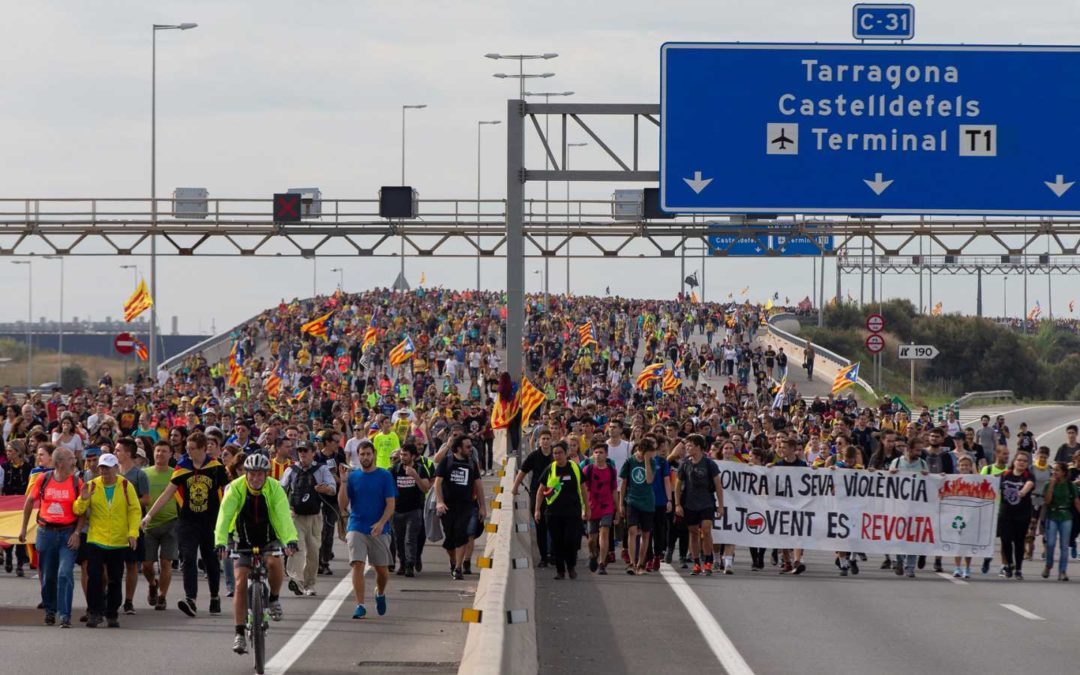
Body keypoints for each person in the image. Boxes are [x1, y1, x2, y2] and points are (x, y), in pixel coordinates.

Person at [214, 453, 299, 654]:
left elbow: (283, 516)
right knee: (240, 581)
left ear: (266, 474)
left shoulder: (275, 487)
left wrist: (290, 540)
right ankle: (239, 633)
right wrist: (220, 542)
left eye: (260, 474)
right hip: (242, 539)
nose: (255, 478)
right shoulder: (235, 488)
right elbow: (224, 515)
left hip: (269, 536)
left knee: (273, 563)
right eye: (252, 474)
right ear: (246, 473)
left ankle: (274, 599)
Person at [141, 431, 230, 617]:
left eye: (193, 449)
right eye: (187, 448)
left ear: (204, 449)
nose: (189, 452)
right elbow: (168, 493)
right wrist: (149, 515)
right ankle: (191, 599)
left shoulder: (216, 467)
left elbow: (226, 494)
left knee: (210, 560)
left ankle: (215, 596)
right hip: (187, 522)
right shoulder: (182, 467)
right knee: (188, 558)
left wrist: (228, 521)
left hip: (210, 522)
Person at [73, 452, 141, 628]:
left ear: (116, 468)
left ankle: (112, 613)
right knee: (94, 577)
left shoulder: (126, 486)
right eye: (102, 468)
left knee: (115, 579)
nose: (104, 472)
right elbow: (78, 510)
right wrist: (83, 499)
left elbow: (134, 510)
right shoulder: (91, 485)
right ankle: (95, 612)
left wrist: (133, 533)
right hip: (97, 539)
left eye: (108, 468)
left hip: (118, 541)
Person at [18, 447, 82, 628]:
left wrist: (77, 533)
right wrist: (23, 528)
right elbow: (29, 502)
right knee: (48, 576)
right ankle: (50, 611)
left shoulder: (77, 482)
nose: (74, 461)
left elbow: (83, 509)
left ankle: (65, 615)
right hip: (46, 533)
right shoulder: (43, 479)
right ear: (60, 463)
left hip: (67, 534)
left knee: (64, 573)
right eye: (71, 459)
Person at [337, 441, 396, 619]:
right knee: (357, 564)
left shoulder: (384, 475)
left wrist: (381, 523)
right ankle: (360, 605)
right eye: (362, 454)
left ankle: (380, 592)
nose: (365, 457)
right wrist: (344, 483)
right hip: (356, 526)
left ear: (374, 454)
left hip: (379, 528)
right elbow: (343, 505)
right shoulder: (353, 476)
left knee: (382, 571)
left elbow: (390, 504)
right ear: (358, 455)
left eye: (368, 454)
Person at [281, 442, 336, 596]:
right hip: (295, 516)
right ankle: (296, 580)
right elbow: (281, 490)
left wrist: (325, 488)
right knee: (297, 548)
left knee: (313, 551)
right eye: (300, 451)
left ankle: (309, 584)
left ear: (313, 452)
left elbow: (333, 488)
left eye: (305, 451)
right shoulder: (291, 470)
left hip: (315, 516)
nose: (302, 454)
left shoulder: (321, 469)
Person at [534, 441, 588, 580]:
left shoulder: (574, 468)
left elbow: (583, 489)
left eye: (560, 453)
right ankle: (560, 571)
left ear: (566, 453)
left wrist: (586, 508)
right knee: (557, 542)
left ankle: (571, 567)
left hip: (572, 512)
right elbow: (541, 491)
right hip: (553, 513)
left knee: (570, 541)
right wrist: (537, 510)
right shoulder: (550, 469)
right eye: (555, 453)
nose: (557, 456)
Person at [434, 435, 484, 581]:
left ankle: (458, 568)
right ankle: (453, 560)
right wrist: (440, 502)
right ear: (458, 448)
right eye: (467, 447)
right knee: (450, 539)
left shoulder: (471, 463)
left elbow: (479, 485)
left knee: (462, 535)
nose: (470, 449)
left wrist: (482, 507)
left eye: (471, 446)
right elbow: (437, 483)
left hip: (466, 505)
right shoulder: (447, 461)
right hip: (448, 506)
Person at [674, 434, 723, 575]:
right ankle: (696, 563)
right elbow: (678, 486)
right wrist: (677, 504)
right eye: (687, 445)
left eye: (690, 446)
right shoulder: (684, 464)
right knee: (693, 532)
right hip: (689, 503)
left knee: (706, 530)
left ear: (699, 447)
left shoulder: (709, 464)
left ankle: (708, 561)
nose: (687, 448)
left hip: (707, 502)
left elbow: (718, 486)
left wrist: (720, 505)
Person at [114, 437, 149, 615]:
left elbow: (146, 498)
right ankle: (111, 598)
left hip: (132, 525)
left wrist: (128, 504)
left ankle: (128, 601)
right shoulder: (112, 473)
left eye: (118, 450)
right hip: (113, 525)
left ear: (128, 453)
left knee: (132, 563)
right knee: (112, 564)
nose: (115, 452)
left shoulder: (139, 474)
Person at [142, 439, 178, 611]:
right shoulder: (145, 473)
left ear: (170, 454)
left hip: (171, 523)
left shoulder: (176, 473)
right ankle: (152, 584)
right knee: (147, 565)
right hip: (148, 525)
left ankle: (162, 596)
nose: (160, 454)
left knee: (165, 563)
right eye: (157, 451)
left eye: (164, 451)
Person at [512, 428, 554, 567]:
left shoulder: (557, 455)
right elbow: (522, 471)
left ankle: (553, 555)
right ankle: (543, 557)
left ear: (551, 440)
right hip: (537, 493)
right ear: (538, 441)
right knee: (540, 526)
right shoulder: (534, 456)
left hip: (555, 494)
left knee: (554, 526)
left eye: (548, 438)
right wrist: (515, 487)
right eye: (543, 439)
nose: (546, 441)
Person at [390, 443, 431, 578]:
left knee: (410, 539)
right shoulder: (394, 470)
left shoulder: (420, 469)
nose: (402, 457)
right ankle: (402, 563)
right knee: (398, 540)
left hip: (414, 510)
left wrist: (415, 476)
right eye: (401, 454)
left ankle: (410, 565)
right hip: (397, 511)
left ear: (413, 456)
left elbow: (425, 488)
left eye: (405, 455)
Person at [888, 440, 928, 578]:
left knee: (913, 538)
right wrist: (891, 474)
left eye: (920, 450)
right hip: (899, 508)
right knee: (898, 537)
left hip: (916, 508)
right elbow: (887, 483)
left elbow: (929, 485)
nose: (919, 453)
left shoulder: (922, 464)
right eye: (917, 450)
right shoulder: (897, 463)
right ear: (909, 449)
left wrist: (931, 477)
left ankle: (910, 567)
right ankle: (899, 559)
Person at [619, 436, 656, 575]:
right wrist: (621, 503)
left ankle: (641, 563)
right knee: (632, 531)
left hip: (647, 502)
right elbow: (623, 483)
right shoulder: (629, 462)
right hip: (632, 501)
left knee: (646, 534)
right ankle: (632, 563)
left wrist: (646, 460)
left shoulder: (651, 462)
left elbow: (649, 480)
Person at [582, 442, 618, 575]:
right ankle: (593, 555)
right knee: (592, 538)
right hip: (591, 506)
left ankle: (602, 563)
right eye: (596, 452)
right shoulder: (588, 470)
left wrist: (618, 509)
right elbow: (583, 490)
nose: (598, 455)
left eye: (601, 452)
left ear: (606, 454)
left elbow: (614, 489)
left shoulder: (611, 470)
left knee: (604, 532)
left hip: (607, 506)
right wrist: (584, 508)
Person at [998, 451, 1035, 579]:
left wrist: (1023, 491)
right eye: (1019, 460)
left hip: (1022, 515)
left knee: (1019, 542)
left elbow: (1029, 484)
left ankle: (1018, 568)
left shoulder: (1028, 475)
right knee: (1006, 540)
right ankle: (1008, 565)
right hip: (1006, 514)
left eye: (1025, 461)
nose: (1022, 463)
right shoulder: (1005, 475)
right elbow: (990, 482)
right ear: (1014, 461)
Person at [1042, 461, 1080, 581]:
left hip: (1066, 517)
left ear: (1064, 473)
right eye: (1053, 470)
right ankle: (1048, 565)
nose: (1054, 472)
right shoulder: (1048, 484)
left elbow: (1076, 501)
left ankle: (1062, 571)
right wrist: (1052, 486)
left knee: (1064, 546)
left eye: (1057, 470)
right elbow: (1047, 501)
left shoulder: (1070, 486)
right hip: (1052, 515)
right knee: (1051, 543)